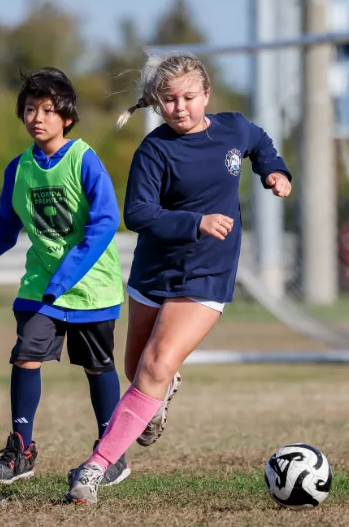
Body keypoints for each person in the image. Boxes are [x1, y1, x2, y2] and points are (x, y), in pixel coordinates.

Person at [66, 53, 292, 504]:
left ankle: (96, 467)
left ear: (206, 94)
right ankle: (162, 390)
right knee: (139, 371)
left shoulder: (233, 128)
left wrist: (274, 169)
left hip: (207, 275)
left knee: (154, 364)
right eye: (169, 100)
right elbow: (138, 214)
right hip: (154, 272)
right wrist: (196, 221)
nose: (180, 107)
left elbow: (260, 142)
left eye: (189, 97)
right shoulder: (155, 150)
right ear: (156, 104)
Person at [0, 67, 129, 486]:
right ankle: (21, 451)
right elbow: (4, 227)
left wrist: (67, 276)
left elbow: (107, 221)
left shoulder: (84, 160)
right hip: (41, 287)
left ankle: (111, 453)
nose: (38, 117)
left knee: (98, 367)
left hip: (90, 287)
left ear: (67, 118)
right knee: (25, 355)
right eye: (31, 109)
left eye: (48, 110)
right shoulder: (18, 169)